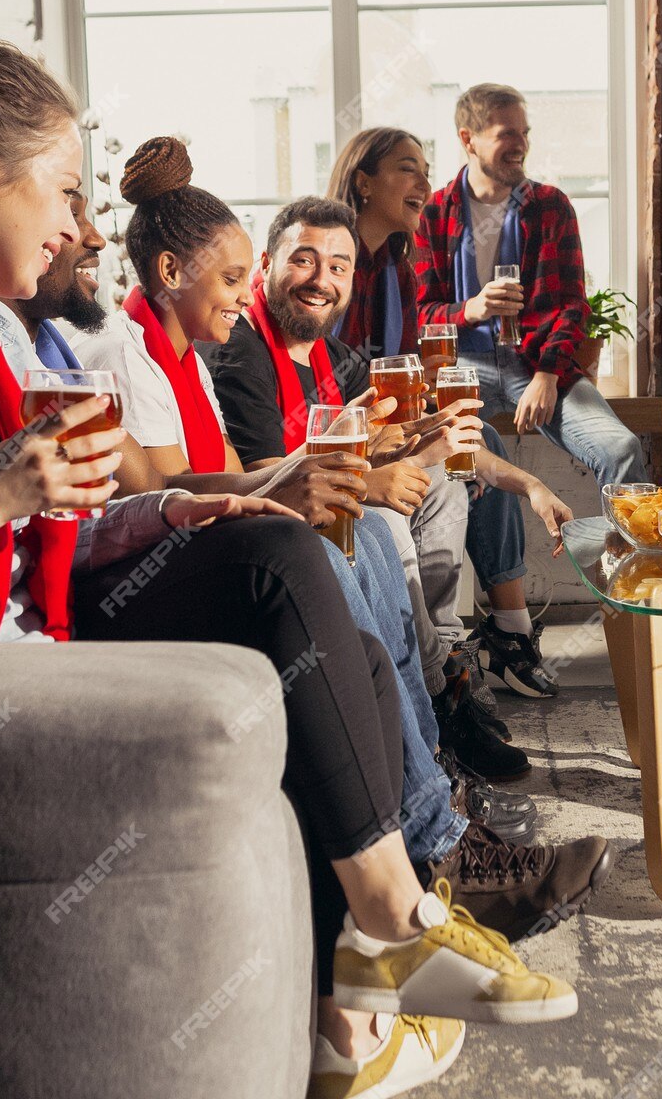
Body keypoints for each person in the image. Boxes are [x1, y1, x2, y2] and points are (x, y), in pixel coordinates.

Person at [0, 34, 576, 1099]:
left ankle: (379, 947)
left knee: (276, 553)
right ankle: (395, 931)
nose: (81, 225)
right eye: (63, 190)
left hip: (29, 621)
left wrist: (174, 510)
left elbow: (60, 522)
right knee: (293, 561)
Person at [68, 142, 613, 940]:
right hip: (142, 575)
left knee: (377, 540)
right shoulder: (132, 353)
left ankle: (433, 803)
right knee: (345, 541)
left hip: (194, 548)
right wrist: (325, 474)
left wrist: (369, 444)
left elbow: (230, 473)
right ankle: (441, 836)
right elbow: (164, 490)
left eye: (339, 265)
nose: (241, 297)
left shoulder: (193, 353)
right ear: (172, 271)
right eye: (234, 279)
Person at [203, 191, 554, 774]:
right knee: (389, 520)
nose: (321, 280)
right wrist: (372, 481)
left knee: (439, 481)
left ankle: (447, 659)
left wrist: (530, 487)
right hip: (273, 533)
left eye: (338, 267)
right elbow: (270, 481)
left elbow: (412, 435)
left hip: (328, 508)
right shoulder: (242, 352)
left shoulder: (331, 357)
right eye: (303, 259)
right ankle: (441, 688)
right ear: (266, 267)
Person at [329, 125, 573, 701]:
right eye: (407, 168)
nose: (425, 181)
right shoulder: (336, 269)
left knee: (475, 435)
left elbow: (409, 378)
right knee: (464, 456)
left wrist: (452, 433)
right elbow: (330, 392)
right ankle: (476, 645)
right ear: (364, 183)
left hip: (382, 420)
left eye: (425, 168)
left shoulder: (395, 267)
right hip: (338, 433)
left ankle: (498, 634)